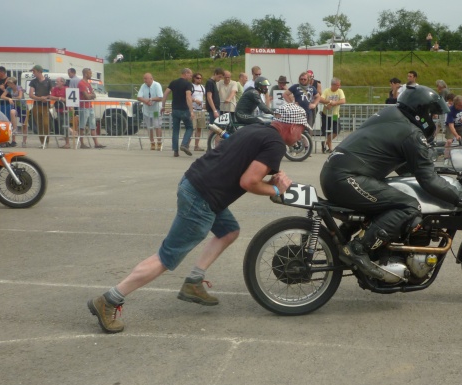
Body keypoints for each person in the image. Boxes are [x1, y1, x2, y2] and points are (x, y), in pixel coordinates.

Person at [87, 103, 308, 333]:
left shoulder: (256, 129)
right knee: (166, 257)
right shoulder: (275, 145)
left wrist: (272, 183)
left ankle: (193, 281)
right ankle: (110, 299)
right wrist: (276, 191)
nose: (302, 135)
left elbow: (238, 164)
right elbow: (248, 182)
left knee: (229, 231)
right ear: (292, 127)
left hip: (195, 183)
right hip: (202, 198)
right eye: (302, 129)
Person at [319, 85, 462, 281]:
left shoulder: (391, 113)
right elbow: (428, 180)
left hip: (334, 173)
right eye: (432, 116)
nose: (434, 121)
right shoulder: (412, 133)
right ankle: (358, 249)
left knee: (387, 197)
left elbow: (408, 166)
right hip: (347, 179)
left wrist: (435, 171)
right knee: (408, 206)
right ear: (421, 112)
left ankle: (343, 237)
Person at [164, 68, 194, 157]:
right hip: (184, 109)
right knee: (189, 127)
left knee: (175, 130)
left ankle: (175, 151)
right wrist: (191, 111)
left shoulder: (173, 83)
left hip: (175, 110)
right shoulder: (188, 84)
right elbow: (188, 97)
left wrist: (163, 106)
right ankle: (184, 144)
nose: (191, 76)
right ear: (185, 73)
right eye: (190, 75)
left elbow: (166, 93)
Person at [78, 67, 103, 149]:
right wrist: (91, 96)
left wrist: (90, 96)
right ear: (85, 74)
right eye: (90, 73)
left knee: (93, 125)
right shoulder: (81, 84)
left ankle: (96, 143)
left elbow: (93, 95)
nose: (91, 74)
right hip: (83, 107)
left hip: (89, 106)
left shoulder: (88, 84)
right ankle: (82, 143)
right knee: (82, 125)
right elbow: (87, 96)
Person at [137, 72, 163, 150]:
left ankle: (159, 142)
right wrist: (145, 101)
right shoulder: (143, 86)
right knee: (149, 127)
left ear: (151, 79)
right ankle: (152, 142)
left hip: (155, 110)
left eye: (146, 78)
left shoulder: (157, 85)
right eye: (144, 78)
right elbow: (139, 96)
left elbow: (160, 97)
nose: (144, 80)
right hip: (147, 111)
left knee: (157, 126)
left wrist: (151, 99)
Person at [28, 65, 52, 147]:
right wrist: (39, 98)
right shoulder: (33, 82)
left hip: (46, 106)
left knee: (46, 124)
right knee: (39, 124)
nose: (33, 73)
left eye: (34, 71)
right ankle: (42, 142)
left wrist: (46, 97)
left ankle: (47, 141)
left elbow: (52, 93)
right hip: (36, 106)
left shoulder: (48, 81)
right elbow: (31, 94)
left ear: (39, 71)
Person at [320, 77, 345, 153]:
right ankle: (330, 148)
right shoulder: (327, 91)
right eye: (338, 85)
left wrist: (335, 103)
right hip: (326, 114)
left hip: (335, 115)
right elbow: (321, 99)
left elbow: (343, 100)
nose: (339, 86)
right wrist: (329, 102)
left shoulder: (340, 91)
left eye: (339, 85)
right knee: (326, 130)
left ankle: (326, 142)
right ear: (333, 85)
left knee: (336, 130)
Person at [49, 77, 73, 148]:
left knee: (65, 125)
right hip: (58, 110)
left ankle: (68, 143)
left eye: (58, 81)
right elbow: (51, 96)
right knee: (61, 126)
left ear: (62, 82)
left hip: (67, 110)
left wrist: (63, 99)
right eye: (56, 81)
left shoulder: (67, 89)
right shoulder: (55, 89)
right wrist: (59, 98)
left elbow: (69, 99)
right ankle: (66, 142)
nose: (56, 83)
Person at [203, 68, 223, 149]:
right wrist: (214, 110)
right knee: (215, 128)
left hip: (215, 108)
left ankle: (213, 145)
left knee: (215, 128)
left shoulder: (213, 83)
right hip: (213, 109)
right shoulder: (210, 82)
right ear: (215, 74)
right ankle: (212, 146)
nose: (220, 79)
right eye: (219, 76)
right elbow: (209, 96)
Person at [0, 76, 24, 147]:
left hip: (23, 106)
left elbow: (19, 97)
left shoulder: (19, 88)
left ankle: (24, 141)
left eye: (9, 83)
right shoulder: (8, 88)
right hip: (15, 106)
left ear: (13, 83)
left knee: (24, 124)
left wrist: (12, 98)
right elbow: (2, 96)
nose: (8, 84)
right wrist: (9, 99)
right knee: (12, 112)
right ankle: (15, 130)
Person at [190, 72, 206, 151]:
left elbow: (204, 97)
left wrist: (204, 105)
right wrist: (195, 100)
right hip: (193, 109)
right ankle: (187, 144)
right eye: (197, 78)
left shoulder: (202, 87)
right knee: (191, 128)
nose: (199, 79)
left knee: (199, 128)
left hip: (201, 110)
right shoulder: (191, 87)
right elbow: (188, 97)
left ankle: (196, 145)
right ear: (194, 78)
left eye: (200, 78)